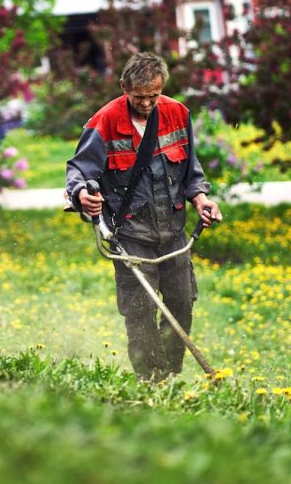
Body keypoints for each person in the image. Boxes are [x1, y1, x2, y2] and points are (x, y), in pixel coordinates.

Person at [65, 52, 222, 381]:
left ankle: (171, 375)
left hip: (174, 232)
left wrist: (202, 200)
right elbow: (79, 171)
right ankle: (151, 381)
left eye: (154, 95)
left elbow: (192, 171)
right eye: (139, 97)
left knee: (181, 304)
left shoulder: (178, 114)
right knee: (140, 312)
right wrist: (83, 196)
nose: (148, 104)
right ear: (124, 87)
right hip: (131, 237)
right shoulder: (105, 121)